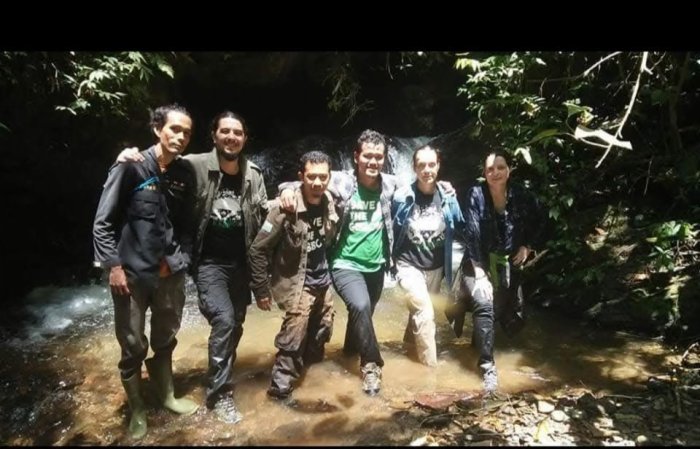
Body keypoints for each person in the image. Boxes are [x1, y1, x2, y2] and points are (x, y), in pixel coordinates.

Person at [117, 111, 269, 424]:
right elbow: (158, 165)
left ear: (245, 138)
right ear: (214, 136)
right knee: (224, 320)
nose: (231, 137)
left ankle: (214, 374)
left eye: (237, 133)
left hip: (240, 264)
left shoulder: (254, 173)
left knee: (236, 325)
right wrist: (127, 156)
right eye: (225, 131)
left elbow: (266, 212)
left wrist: (292, 190)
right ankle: (218, 394)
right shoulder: (192, 166)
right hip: (208, 263)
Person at [279, 130, 454, 396]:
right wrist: (288, 190)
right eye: (368, 156)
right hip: (344, 263)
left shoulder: (391, 184)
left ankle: (348, 354)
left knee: (362, 315)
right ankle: (371, 366)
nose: (373, 162)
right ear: (356, 157)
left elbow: (422, 183)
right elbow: (306, 179)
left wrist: (444, 186)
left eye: (378, 157)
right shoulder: (341, 181)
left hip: (376, 266)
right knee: (360, 305)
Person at [93, 104, 198, 439]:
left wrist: (181, 259)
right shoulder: (131, 167)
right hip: (132, 275)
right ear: (157, 129)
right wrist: (113, 267)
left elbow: (188, 225)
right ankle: (137, 408)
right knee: (132, 343)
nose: (180, 136)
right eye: (174, 129)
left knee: (165, 337)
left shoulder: (185, 173)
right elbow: (102, 223)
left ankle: (166, 395)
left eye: (186, 132)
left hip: (170, 274)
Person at [450, 149, 546, 395]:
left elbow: (543, 218)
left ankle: (476, 349)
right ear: (484, 173)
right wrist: (480, 273)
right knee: (484, 301)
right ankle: (487, 367)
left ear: (509, 170)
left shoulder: (522, 196)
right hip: (476, 261)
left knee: (493, 311)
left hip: (507, 264)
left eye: (500, 167)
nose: (495, 173)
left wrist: (528, 246)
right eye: (490, 169)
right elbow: (471, 233)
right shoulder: (476, 194)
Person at [248, 151, 338, 402]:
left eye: (323, 177)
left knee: (322, 332)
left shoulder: (330, 200)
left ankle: (311, 382)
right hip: (299, 285)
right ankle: (279, 392)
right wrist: (261, 289)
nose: (317, 182)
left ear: (329, 177)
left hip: (324, 282)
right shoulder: (284, 209)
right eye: (311, 177)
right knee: (292, 341)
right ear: (301, 176)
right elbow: (258, 249)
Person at [391, 145, 464, 367]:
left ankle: (408, 350)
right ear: (414, 168)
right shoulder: (402, 196)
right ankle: (430, 371)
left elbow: (461, 226)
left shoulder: (448, 196)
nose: (426, 170)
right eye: (421, 165)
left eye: (431, 164)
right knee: (424, 310)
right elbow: (389, 226)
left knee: (419, 313)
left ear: (438, 166)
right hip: (408, 265)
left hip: (436, 268)